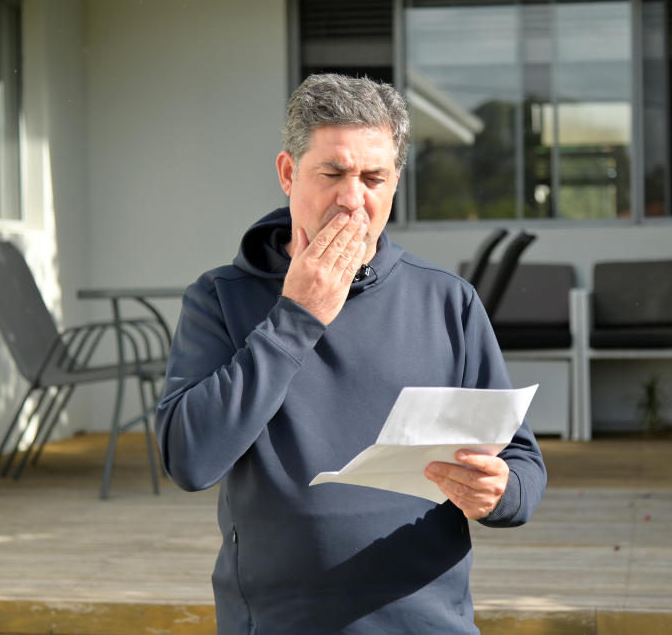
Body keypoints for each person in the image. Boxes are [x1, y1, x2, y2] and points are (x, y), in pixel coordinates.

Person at [155, 73, 546, 635]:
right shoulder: (221, 298)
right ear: (289, 174)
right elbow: (189, 460)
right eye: (333, 173)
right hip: (278, 621)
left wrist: (500, 492)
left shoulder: (446, 300)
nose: (352, 197)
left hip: (428, 623)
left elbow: (524, 467)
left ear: (394, 185)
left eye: (373, 177)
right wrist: (298, 316)